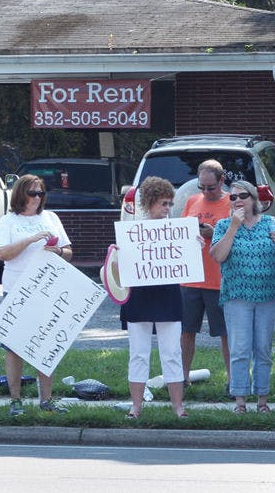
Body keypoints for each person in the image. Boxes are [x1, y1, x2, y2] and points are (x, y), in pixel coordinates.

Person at [0, 174, 73, 416]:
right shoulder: (9, 221)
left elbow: (69, 252)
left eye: (41, 193)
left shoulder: (51, 217)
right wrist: (30, 240)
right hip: (17, 289)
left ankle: (46, 399)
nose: (37, 198)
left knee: (45, 345)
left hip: (46, 289)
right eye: (33, 193)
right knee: (14, 348)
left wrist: (58, 251)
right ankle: (15, 400)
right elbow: (2, 254)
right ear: (21, 194)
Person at [209, 180, 275, 414]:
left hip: (267, 296)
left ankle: (262, 400)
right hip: (237, 296)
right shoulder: (223, 225)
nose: (237, 200)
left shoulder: (270, 223)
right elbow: (218, 256)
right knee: (240, 349)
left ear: (253, 199)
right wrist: (234, 227)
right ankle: (240, 401)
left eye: (242, 195)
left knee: (263, 349)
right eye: (232, 197)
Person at [118, 177, 187, 419]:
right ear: (149, 203)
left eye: (170, 203)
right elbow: (121, 265)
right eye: (163, 203)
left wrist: (193, 246)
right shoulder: (132, 231)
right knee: (138, 352)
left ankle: (178, 406)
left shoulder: (178, 231)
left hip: (168, 295)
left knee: (172, 352)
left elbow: (185, 261)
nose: (167, 208)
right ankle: (136, 406)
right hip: (139, 296)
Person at [179, 159, 231, 386]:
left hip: (219, 279)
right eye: (202, 187)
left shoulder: (232, 202)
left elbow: (238, 236)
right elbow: (179, 233)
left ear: (222, 180)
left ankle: (233, 380)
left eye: (211, 187)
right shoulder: (192, 201)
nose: (206, 192)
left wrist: (214, 233)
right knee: (186, 331)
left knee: (226, 333)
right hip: (190, 279)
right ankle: (183, 378)